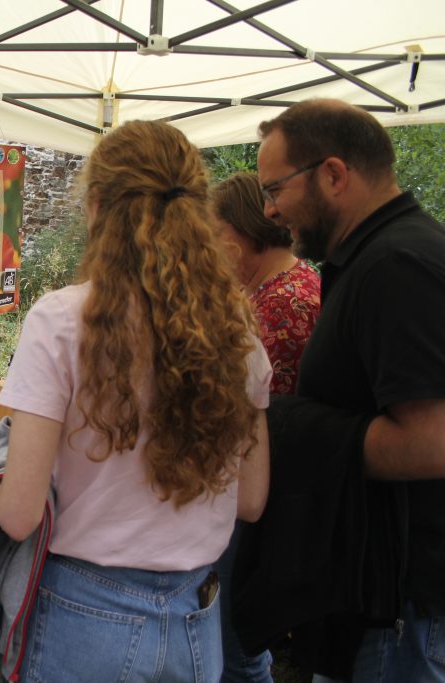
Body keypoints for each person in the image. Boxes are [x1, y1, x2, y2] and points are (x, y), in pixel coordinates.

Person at [0, 119, 272, 681]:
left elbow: (19, 516)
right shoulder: (236, 330)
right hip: (196, 618)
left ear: (97, 206)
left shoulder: (62, 320)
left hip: (85, 617)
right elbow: (251, 500)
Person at [247, 99, 445, 681]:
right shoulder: (374, 257)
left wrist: (291, 426)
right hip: (380, 595)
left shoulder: (397, 263)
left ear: (333, 174)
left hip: (401, 606)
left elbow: (432, 442)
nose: (270, 209)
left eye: (276, 189)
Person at [207, 172, 322, 683]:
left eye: (214, 232)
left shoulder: (284, 304)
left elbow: (251, 416)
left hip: (263, 502)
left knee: (238, 645)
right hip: (259, 494)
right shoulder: (272, 292)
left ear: (241, 233)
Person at [212, 173, 321, 396]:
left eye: (216, 233)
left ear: (247, 225)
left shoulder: (283, 307)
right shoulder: (274, 283)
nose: (210, 247)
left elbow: (259, 407)